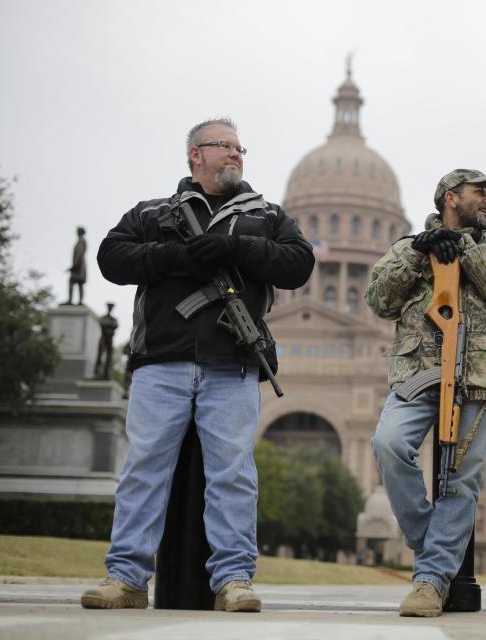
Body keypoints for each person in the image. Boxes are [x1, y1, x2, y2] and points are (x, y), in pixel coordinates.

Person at [82, 118, 314, 612]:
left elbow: (299, 264)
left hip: (232, 363)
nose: (236, 155)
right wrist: (176, 256)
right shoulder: (152, 212)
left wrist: (237, 246)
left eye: (239, 148)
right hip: (161, 361)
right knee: (144, 470)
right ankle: (125, 578)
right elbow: (111, 258)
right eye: (224, 147)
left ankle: (233, 580)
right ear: (195, 155)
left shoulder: (266, 215)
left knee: (233, 473)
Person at [367, 169, 486, 617]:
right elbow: (379, 300)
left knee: (462, 481)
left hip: (474, 378)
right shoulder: (408, 248)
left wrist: (465, 249)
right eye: (482, 192)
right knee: (388, 445)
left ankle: (431, 580)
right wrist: (420, 253)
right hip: (418, 373)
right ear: (451, 198)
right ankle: (431, 539)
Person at [66, 226, 87, 305]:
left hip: (79, 266)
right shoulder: (81, 241)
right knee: (79, 283)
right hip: (79, 265)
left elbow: (79, 254)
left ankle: (72, 300)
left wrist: (74, 266)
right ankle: (76, 301)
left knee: (75, 282)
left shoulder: (81, 241)